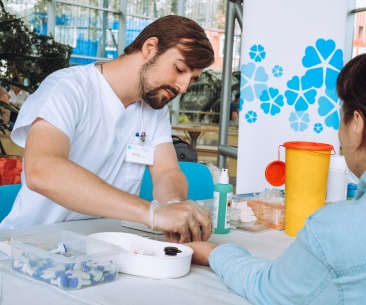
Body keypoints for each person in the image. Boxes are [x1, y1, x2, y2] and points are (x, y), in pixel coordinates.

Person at [186, 48, 366, 303]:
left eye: (341, 113)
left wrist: (214, 254)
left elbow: (270, 289)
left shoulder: (340, 231)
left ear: (358, 125)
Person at [0, 15, 215, 243]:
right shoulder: (68, 88)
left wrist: (172, 204)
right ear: (150, 48)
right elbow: (42, 170)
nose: (182, 87)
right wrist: (152, 213)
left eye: (191, 79)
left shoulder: (154, 108)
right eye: (180, 68)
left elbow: (167, 172)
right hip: (33, 244)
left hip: (102, 248)